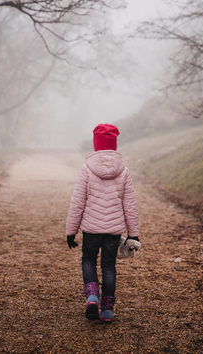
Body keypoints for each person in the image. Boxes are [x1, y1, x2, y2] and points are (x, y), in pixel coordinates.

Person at [66, 123, 140, 322]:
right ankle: (107, 310)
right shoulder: (124, 171)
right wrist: (133, 234)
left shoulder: (86, 169)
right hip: (114, 231)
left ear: (95, 144)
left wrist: (71, 231)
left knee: (88, 260)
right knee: (109, 267)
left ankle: (92, 297)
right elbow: (130, 204)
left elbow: (77, 202)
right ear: (114, 145)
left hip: (91, 229)